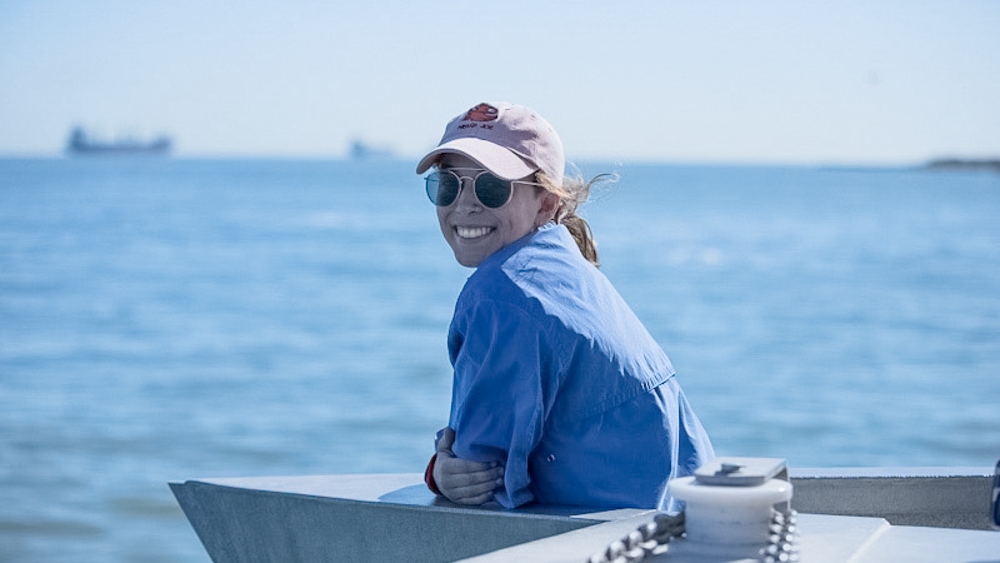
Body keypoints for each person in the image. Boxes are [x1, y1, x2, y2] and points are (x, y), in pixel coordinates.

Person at [416, 102, 714, 509]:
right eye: (448, 185)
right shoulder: (565, 266)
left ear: (546, 203)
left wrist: (440, 471)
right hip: (693, 516)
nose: (464, 205)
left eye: (491, 187)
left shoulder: (502, 294)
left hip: (629, 536)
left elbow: (481, 476)